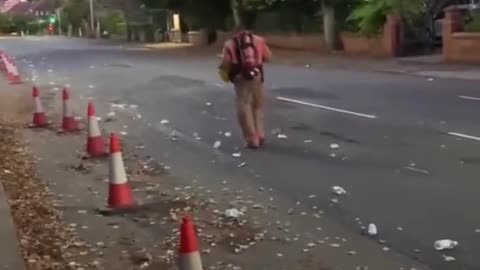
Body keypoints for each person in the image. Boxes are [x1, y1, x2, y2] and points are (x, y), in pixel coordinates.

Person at [218, 27, 272, 149]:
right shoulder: (259, 40)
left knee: (244, 105)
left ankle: (251, 138)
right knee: (257, 105)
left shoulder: (230, 44)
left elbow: (226, 64)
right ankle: (260, 133)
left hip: (240, 77)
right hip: (256, 75)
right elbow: (268, 57)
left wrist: (223, 70)